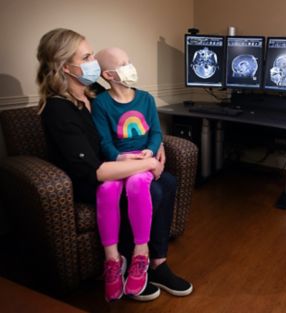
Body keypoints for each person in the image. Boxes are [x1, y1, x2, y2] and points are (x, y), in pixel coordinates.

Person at [36, 28, 193, 301]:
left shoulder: (94, 92)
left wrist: (158, 146)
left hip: (114, 165)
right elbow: (95, 171)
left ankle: (157, 263)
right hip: (91, 181)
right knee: (153, 188)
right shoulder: (58, 110)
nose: (93, 62)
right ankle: (134, 263)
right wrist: (146, 164)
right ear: (66, 67)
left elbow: (135, 123)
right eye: (86, 57)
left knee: (167, 180)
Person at [90, 47, 164, 301]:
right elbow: (103, 140)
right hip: (119, 161)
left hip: (143, 161)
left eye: (129, 61)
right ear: (109, 74)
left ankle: (140, 253)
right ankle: (112, 259)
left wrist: (150, 152)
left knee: (136, 185)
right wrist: (119, 156)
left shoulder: (146, 99)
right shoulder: (101, 103)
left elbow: (155, 132)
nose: (130, 66)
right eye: (123, 63)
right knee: (107, 189)